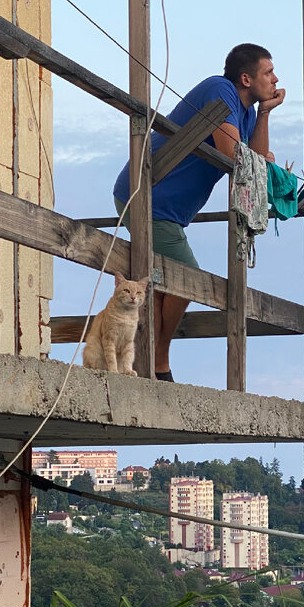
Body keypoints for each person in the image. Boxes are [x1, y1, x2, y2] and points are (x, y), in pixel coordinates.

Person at [112, 43, 285, 381]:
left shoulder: (247, 112)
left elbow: (255, 164)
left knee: (164, 286)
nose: (275, 79)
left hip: (167, 210)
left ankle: (145, 361)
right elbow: (236, 156)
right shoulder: (220, 90)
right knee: (188, 277)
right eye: (268, 72)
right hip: (147, 199)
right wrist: (259, 159)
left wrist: (265, 114)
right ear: (246, 78)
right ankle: (158, 364)